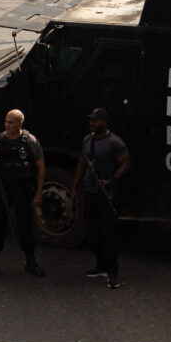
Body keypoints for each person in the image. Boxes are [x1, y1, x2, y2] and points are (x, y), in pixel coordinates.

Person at [0, 109, 46, 279]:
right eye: (6, 121)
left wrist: (39, 193)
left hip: (23, 192)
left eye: (11, 122)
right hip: (1, 192)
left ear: (20, 124)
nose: (7, 125)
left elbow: (40, 167)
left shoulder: (29, 141)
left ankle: (31, 262)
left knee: (26, 228)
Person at [71, 108, 129, 289]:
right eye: (90, 121)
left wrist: (111, 181)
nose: (91, 123)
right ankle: (100, 266)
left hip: (107, 195)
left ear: (104, 121)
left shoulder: (114, 142)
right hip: (89, 192)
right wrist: (74, 187)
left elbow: (125, 163)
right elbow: (82, 162)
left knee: (109, 235)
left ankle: (112, 272)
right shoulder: (88, 140)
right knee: (94, 232)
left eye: (95, 121)